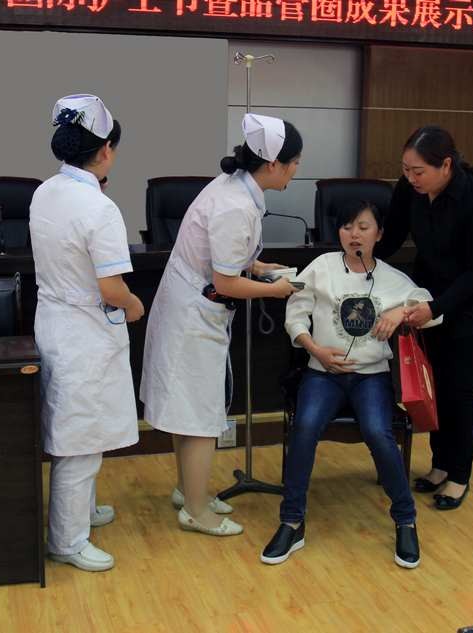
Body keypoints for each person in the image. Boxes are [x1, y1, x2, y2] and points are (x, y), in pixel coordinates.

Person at [141, 113, 302, 536]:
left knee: (187, 408)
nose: (296, 169)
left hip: (189, 306)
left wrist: (258, 266)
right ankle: (197, 511)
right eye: (294, 162)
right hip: (193, 314)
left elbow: (223, 254)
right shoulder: (235, 204)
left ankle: (188, 491)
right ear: (273, 164)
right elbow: (226, 281)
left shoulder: (234, 187)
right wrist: (275, 290)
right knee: (199, 414)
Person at [261, 201, 441, 568]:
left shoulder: (392, 277)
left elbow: (429, 310)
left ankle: (405, 520)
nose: (354, 234)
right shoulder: (322, 267)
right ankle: (291, 522)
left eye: (363, 227)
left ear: (379, 234)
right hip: (322, 372)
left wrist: (401, 311)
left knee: (378, 432)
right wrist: (314, 349)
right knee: (305, 426)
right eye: (346, 227)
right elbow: (295, 315)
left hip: (371, 377)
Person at [29, 94, 144, 572]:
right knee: (79, 440)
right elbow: (111, 287)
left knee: (79, 426)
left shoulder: (45, 191)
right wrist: (136, 306)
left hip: (55, 321)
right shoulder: (99, 207)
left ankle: (85, 511)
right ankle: (67, 540)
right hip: (86, 329)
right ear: (106, 150)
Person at [377, 125, 473, 511]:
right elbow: (393, 237)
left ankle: (459, 475)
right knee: (435, 383)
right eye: (406, 170)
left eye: (418, 171)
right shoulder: (409, 189)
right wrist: (360, 260)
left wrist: (436, 308)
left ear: (446, 165)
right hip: (434, 291)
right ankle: (440, 464)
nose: (411, 178)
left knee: (459, 386)